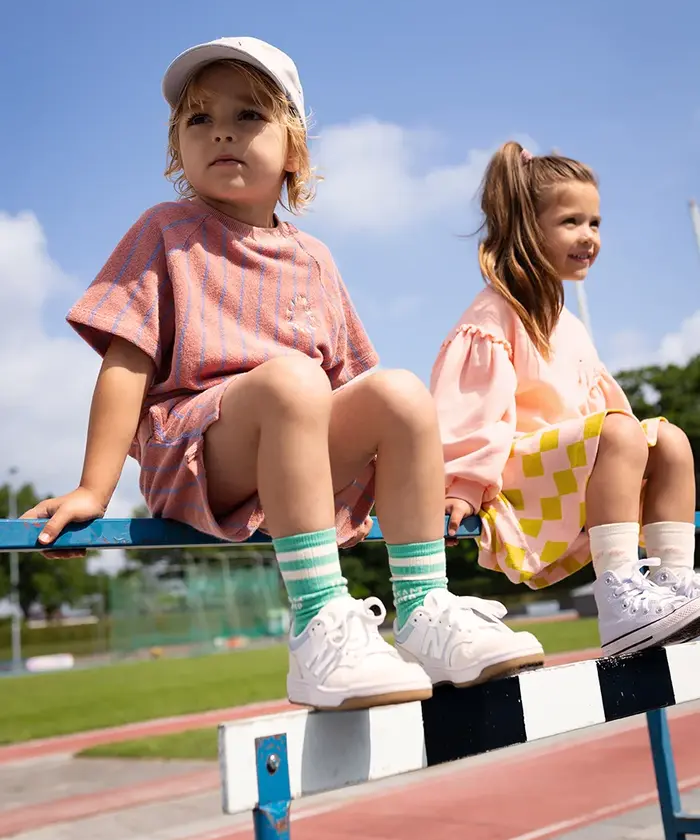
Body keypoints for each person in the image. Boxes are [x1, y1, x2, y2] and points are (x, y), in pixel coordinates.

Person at [21, 41, 544, 709]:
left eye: (249, 116)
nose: (223, 132)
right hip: (197, 452)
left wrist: (438, 492)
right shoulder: (164, 231)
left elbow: (364, 393)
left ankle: (424, 607)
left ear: (294, 149)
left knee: (402, 390)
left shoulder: (314, 258)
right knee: (294, 379)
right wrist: (95, 487)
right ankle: (320, 621)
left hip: (298, 454)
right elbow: (127, 360)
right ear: (177, 148)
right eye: (200, 119)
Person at [430, 142, 700, 658]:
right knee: (621, 429)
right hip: (516, 475)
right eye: (572, 221)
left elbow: (602, 405)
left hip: (571, 467)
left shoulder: (567, 323)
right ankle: (618, 593)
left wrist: (633, 454)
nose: (589, 237)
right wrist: (461, 484)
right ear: (527, 228)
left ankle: (672, 582)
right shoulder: (495, 314)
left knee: (671, 438)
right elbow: (469, 408)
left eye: (595, 223)